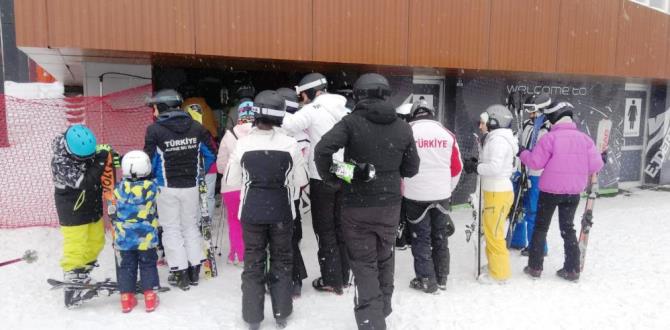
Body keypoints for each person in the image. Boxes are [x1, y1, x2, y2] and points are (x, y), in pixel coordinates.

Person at [315, 73, 420, 330]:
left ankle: (372, 321)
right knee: (384, 258)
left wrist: (343, 174)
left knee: (363, 264)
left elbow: (322, 151)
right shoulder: (403, 126)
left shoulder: (351, 123)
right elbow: (412, 168)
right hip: (389, 206)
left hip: (357, 206)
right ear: (385, 95)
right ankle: (381, 310)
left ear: (359, 95)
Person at [225, 90, 308, 330]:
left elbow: (232, 179)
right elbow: (301, 179)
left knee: (254, 262)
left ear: (255, 114)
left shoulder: (243, 143)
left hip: (251, 212)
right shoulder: (290, 144)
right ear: (281, 115)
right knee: (282, 260)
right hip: (282, 211)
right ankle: (281, 313)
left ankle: (252, 317)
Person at [282, 72, 351, 294]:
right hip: (345, 171)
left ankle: (332, 279)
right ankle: (344, 274)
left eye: (302, 95)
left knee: (325, 228)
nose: (301, 99)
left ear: (311, 92)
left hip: (323, 172)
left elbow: (286, 125)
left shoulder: (312, 110)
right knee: (341, 225)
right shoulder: (345, 108)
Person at [520, 101, 604, 282]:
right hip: (573, 192)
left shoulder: (549, 138)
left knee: (541, 227)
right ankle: (572, 269)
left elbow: (535, 162)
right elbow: (596, 165)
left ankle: (535, 267)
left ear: (554, 118)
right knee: (568, 228)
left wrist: (522, 153)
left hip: (550, 191)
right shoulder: (585, 139)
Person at [144, 89, 217, 291]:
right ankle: (194, 270)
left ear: (163, 107)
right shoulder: (197, 127)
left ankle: (180, 273)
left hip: (166, 187)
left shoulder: (154, 131)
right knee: (190, 227)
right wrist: (196, 170)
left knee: (171, 230)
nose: (154, 111)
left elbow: (148, 161)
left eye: (155, 107)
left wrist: (154, 176)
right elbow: (211, 155)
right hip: (191, 186)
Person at [50, 124, 117, 308]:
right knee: (76, 246)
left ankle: (82, 274)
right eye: (83, 158)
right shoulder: (60, 162)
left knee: (97, 241)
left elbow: (101, 160)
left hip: (92, 207)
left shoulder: (84, 147)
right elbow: (84, 181)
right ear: (72, 152)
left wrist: (113, 158)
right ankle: (72, 280)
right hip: (72, 210)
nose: (89, 158)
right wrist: (100, 162)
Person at [402, 99, 462, 293]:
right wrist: (448, 189)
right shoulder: (447, 134)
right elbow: (457, 168)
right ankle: (442, 277)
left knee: (421, 239)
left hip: (415, 195)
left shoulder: (406, 132)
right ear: (432, 113)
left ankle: (427, 279)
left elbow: (400, 167)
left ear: (413, 114)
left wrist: (404, 189)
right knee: (440, 236)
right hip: (441, 194)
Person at [463, 104, 517, 283]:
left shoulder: (498, 141)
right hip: (494, 191)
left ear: (495, 122)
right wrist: (477, 162)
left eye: (484, 122)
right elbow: (493, 163)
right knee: (490, 231)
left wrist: (475, 167)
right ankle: (495, 264)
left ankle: (499, 274)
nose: (480, 126)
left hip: (497, 190)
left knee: (494, 234)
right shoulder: (495, 138)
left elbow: (494, 168)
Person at [113, 150, 160, 313]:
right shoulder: (151, 187)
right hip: (146, 238)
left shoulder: (119, 188)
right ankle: (149, 297)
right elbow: (156, 187)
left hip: (124, 238)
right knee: (148, 265)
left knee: (126, 266)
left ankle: (126, 298)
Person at [509, 93, 552, 256]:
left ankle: (538, 246)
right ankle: (518, 240)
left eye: (533, 111)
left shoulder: (547, 129)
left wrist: (526, 153)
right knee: (518, 206)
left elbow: (543, 154)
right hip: (522, 170)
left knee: (533, 210)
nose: (530, 114)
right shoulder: (527, 124)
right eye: (528, 111)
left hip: (536, 175)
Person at [277, 87, 310, 297]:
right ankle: (296, 278)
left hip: (275, 192)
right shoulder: (302, 130)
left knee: (278, 239)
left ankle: (285, 279)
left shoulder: (276, 127)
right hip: (295, 190)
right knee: (292, 235)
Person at [217, 100, 255, 265]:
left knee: (234, 221)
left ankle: (238, 255)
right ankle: (254, 254)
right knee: (253, 222)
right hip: (254, 185)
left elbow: (220, 166)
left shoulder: (228, 134)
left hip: (231, 186)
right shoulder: (260, 133)